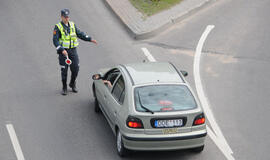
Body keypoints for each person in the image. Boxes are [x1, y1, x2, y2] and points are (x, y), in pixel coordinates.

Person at [53, 9, 97, 95]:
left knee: (76, 69)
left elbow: (80, 34)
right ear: (61, 17)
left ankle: (72, 83)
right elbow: (55, 41)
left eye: (68, 17)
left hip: (73, 51)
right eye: (65, 17)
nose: (67, 19)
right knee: (64, 71)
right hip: (63, 53)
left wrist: (90, 39)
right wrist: (62, 50)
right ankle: (64, 87)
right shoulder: (57, 27)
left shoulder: (72, 25)